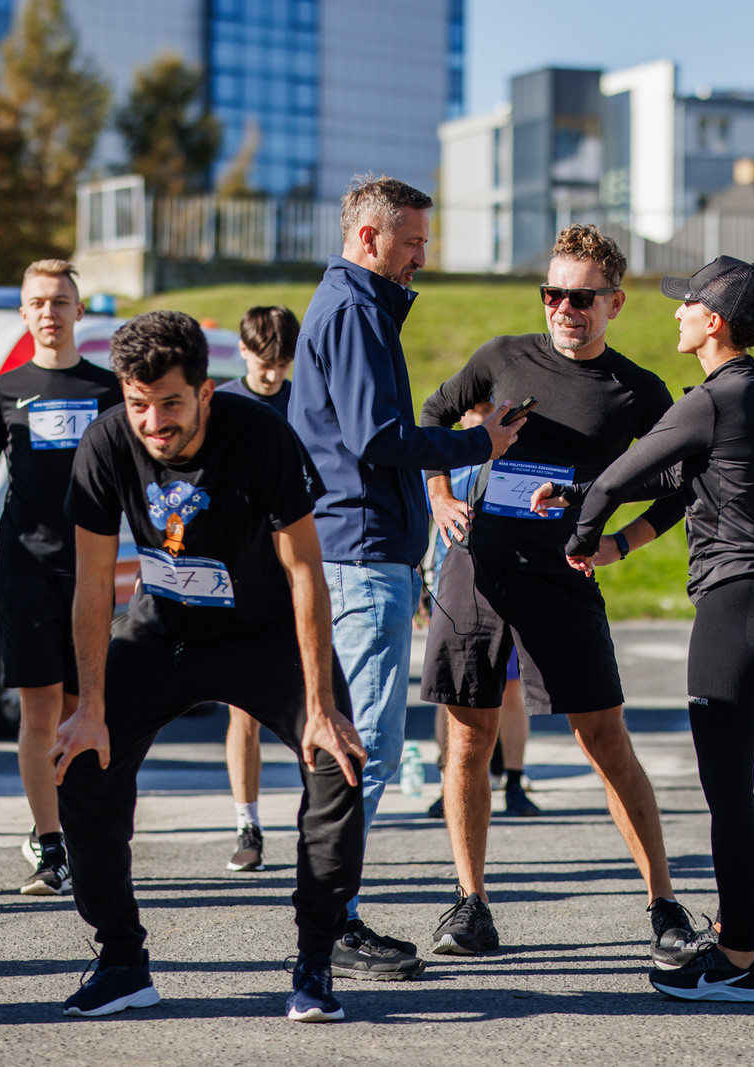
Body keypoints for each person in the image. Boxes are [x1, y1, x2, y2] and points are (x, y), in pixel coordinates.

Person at [51, 311, 367, 1023]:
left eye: (170, 403)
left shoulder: (261, 437)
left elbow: (305, 572)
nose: (153, 423)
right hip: (161, 633)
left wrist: (321, 705)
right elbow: (93, 584)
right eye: (138, 404)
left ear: (204, 392)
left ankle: (315, 961)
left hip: (261, 633)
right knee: (83, 763)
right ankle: (121, 961)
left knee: (336, 760)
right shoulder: (106, 442)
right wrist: (90, 705)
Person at [542, 255, 754, 1002]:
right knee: (735, 792)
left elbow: (621, 476)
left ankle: (737, 964)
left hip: (738, 609)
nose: (676, 313)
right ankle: (735, 946)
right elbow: (677, 479)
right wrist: (600, 521)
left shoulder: (715, 396)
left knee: (728, 796)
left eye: (687, 304)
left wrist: (580, 538)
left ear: (714, 321)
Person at [418, 224, 688, 962]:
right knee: (467, 739)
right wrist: (440, 495)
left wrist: (620, 542)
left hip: (562, 578)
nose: (564, 308)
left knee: (604, 740)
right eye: (553, 293)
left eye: (581, 297)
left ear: (615, 303)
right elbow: (432, 416)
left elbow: (681, 481)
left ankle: (664, 906)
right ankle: (470, 903)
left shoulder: (637, 391)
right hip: (475, 569)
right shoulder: (502, 356)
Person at [288, 174, 519, 980]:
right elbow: (377, 436)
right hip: (360, 552)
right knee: (365, 749)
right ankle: (332, 921)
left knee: (350, 745)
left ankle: (330, 914)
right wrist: (478, 443)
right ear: (369, 237)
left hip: (355, 550)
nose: (423, 255)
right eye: (413, 241)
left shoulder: (351, 304)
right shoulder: (354, 309)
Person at [0, 259, 120, 895]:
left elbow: (137, 481)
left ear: (79, 311)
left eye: (60, 300)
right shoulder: (4, 391)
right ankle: (51, 847)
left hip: (91, 572)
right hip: (24, 567)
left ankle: (72, 831)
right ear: (23, 313)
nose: (50, 311)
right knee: (40, 706)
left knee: (82, 707)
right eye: (39, 302)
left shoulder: (107, 390)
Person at [423, 400, 539, 821]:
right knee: (449, 693)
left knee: (510, 690)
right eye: (473, 412)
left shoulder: (514, 460)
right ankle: (448, 781)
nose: (482, 419)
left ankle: (514, 779)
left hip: (508, 585)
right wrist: (422, 584)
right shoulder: (445, 466)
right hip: (451, 589)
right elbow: (426, 527)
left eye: (489, 410)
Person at [214, 306, 299, 871]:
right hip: (237, 572)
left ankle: (318, 823)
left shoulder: (306, 403)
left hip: (296, 570)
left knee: (310, 703)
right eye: (264, 362)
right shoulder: (220, 404)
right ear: (242, 351)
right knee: (241, 710)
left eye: (282, 363)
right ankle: (247, 824)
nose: (272, 373)